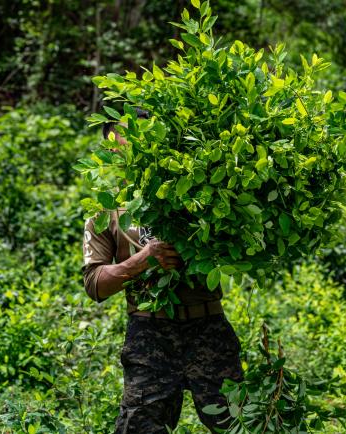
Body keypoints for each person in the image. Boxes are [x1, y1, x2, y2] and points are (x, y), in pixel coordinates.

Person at [82, 117, 243, 434]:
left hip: (208, 327)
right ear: (112, 149)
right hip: (149, 333)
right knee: (139, 427)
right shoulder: (105, 212)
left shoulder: (199, 192)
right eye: (124, 140)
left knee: (239, 424)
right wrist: (141, 261)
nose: (133, 146)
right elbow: (95, 285)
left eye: (143, 136)